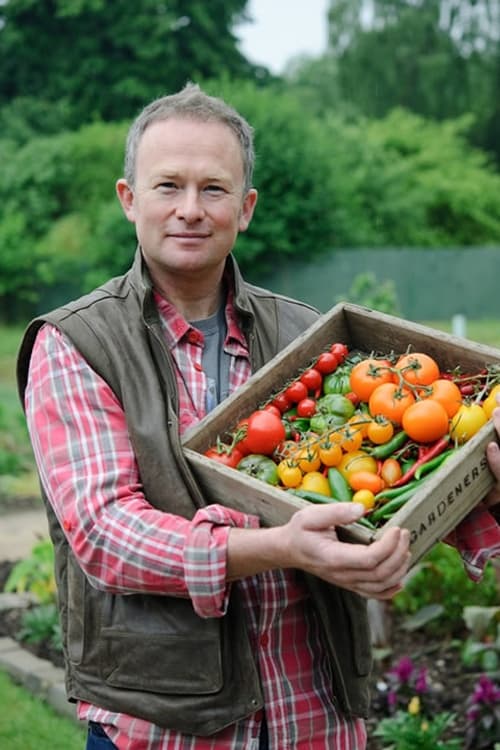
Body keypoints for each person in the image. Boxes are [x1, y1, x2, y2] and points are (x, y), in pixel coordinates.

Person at [16, 83, 500, 750]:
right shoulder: (77, 342)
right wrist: (276, 547)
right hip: (164, 727)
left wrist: (481, 490)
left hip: (316, 716)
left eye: (214, 190)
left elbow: (399, 483)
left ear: (245, 209)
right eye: (168, 187)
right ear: (130, 200)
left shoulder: (312, 338)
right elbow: (106, 534)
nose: (190, 209)